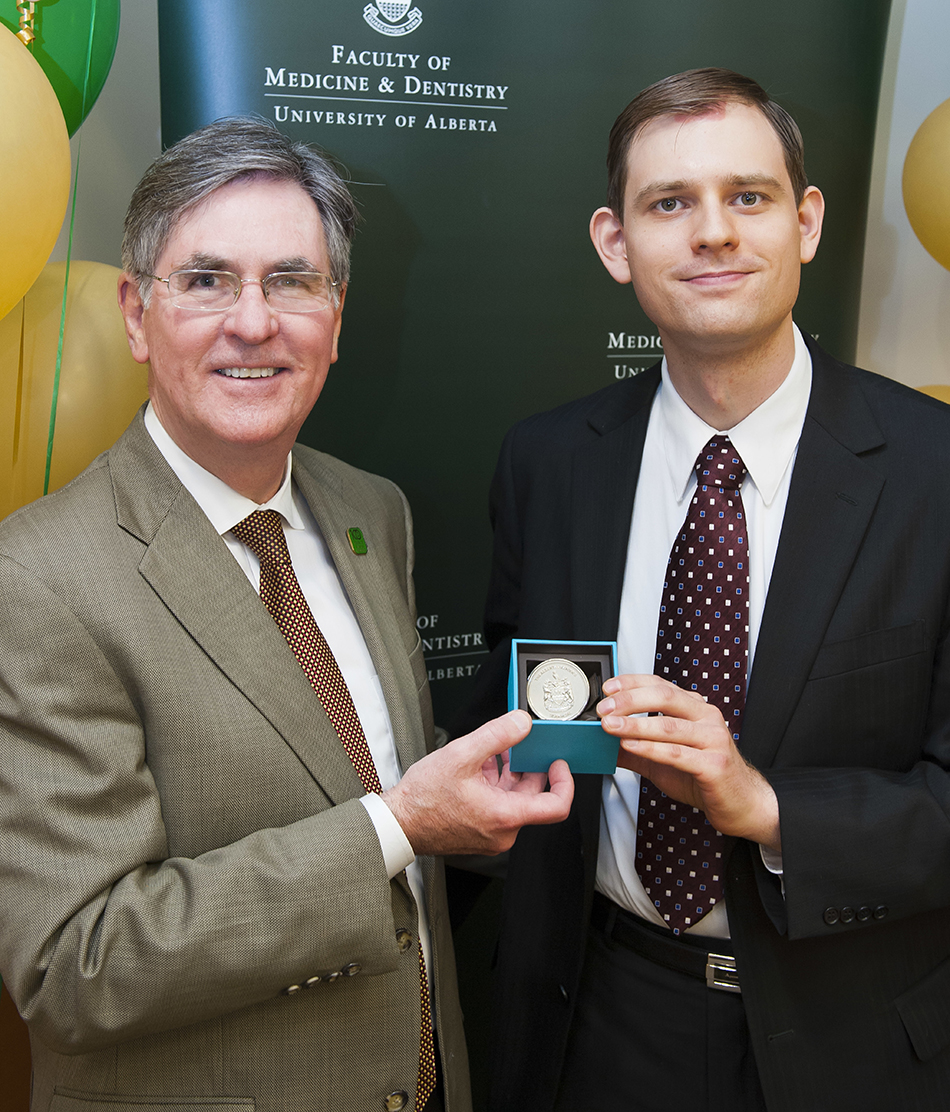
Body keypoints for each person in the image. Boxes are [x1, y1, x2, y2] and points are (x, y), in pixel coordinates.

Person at [0, 118, 573, 1112]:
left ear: (335, 317)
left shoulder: (371, 511)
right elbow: (77, 963)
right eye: (207, 279)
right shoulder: (38, 576)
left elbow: (346, 765)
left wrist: (460, 802)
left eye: (292, 281)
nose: (254, 322)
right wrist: (399, 823)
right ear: (136, 313)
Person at [464, 68, 950, 1111]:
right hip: (595, 1019)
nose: (714, 232)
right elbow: (520, 704)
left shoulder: (935, 472)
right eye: (669, 203)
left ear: (805, 223)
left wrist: (762, 806)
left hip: (852, 1043)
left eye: (748, 196)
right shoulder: (547, 463)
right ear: (615, 243)